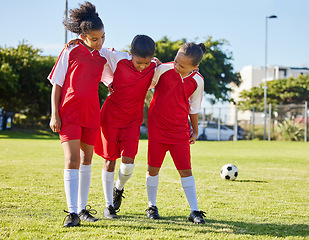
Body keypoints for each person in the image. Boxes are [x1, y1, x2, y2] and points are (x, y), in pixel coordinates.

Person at [48, 1, 107, 227]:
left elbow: (122, 65)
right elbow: (57, 83)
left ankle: (82, 210)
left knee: (87, 160)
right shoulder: (70, 50)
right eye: (94, 39)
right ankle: (72, 213)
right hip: (69, 114)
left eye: (102, 37)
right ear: (83, 36)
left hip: (92, 115)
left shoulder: (104, 57)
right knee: (71, 159)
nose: (99, 42)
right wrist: (55, 114)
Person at [95, 35, 157, 219]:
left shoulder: (154, 65)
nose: (143, 66)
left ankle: (118, 188)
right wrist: (77, 42)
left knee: (128, 165)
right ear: (131, 54)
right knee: (109, 161)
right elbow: (96, 49)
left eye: (147, 63)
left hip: (132, 121)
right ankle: (108, 206)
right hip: (110, 118)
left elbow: (175, 67)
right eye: (139, 62)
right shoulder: (119, 58)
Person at [145, 42, 207, 224]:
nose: (176, 66)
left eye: (181, 65)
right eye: (176, 61)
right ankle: (151, 206)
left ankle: (194, 211)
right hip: (157, 128)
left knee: (186, 170)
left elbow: (193, 108)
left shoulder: (198, 81)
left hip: (180, 131)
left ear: (194, 67)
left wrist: (195, 130)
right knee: (153, 168)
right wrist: (150, 66)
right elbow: (146, 85)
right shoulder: (163, 69)